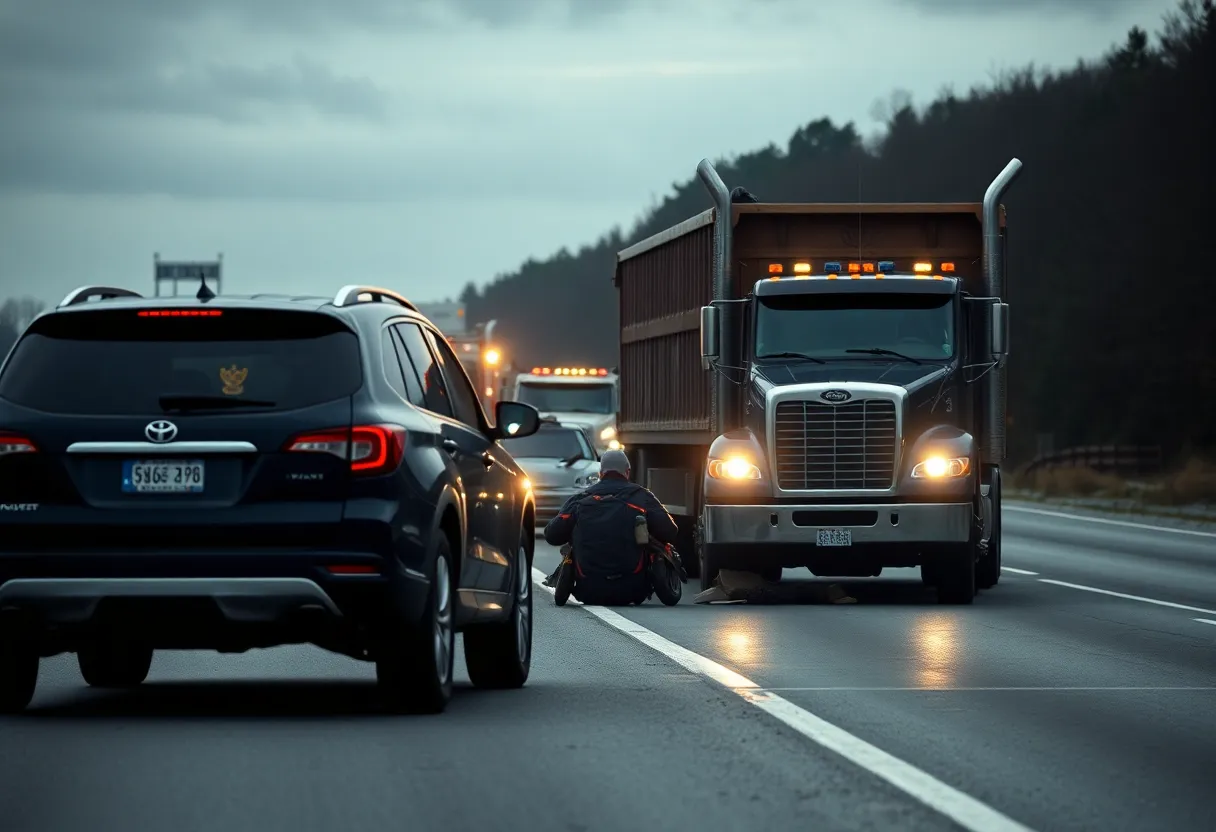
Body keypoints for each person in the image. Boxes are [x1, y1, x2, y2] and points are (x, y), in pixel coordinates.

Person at [543, 449, 681, 606]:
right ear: (627, 472)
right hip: (633, 592)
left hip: (588, 592)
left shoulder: (580, 500)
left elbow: (551, 535)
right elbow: (670, 531)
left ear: (601, 473)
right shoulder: (642, 496)